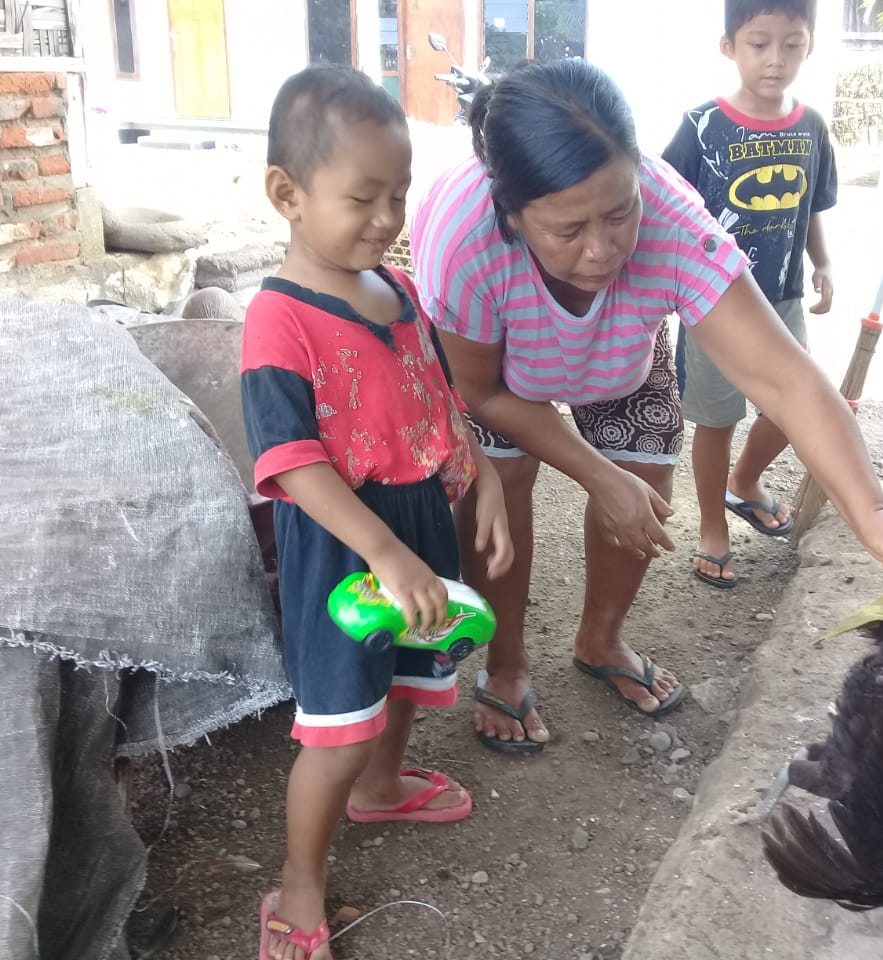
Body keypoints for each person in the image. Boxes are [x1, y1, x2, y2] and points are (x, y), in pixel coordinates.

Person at [410, 57, 883, 754]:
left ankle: (600, 639)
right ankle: (506, 662)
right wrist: (596, 475)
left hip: (619, 351)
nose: (602, 249)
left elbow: (784, 377)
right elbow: (481, 390)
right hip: (499, 372)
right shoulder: (465, 238)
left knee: (645, 474)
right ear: (513, 215)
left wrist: (872, 515)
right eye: (568, 230)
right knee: (500, 484)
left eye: (621, 212)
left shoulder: (672, 219)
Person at [240, 65, 513, 960]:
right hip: (343, 551)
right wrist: (385, 552)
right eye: (363, 197)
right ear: (287, 193)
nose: (387, 217)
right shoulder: (278, 320)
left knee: (403, 677)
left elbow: (437, 400)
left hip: (417, 527)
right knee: (337, 725)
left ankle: (383, 787)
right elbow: (291, 462)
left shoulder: (402, 292)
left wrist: (484, 479)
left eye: (399, 195)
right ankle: (299, 881)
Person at [666, 0, 838, 588]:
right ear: (729, 47)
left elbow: (811, 204)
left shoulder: (812, 127)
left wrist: (823, 263)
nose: (775, 59)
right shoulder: (700, 126)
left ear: (809, 46)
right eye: (759, 43)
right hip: (712, 303)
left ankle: (743, 481)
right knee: (716, 420)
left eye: (792, 44)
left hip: (784, 298)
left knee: (797, 406)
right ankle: (712, 527)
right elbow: (665, 205)